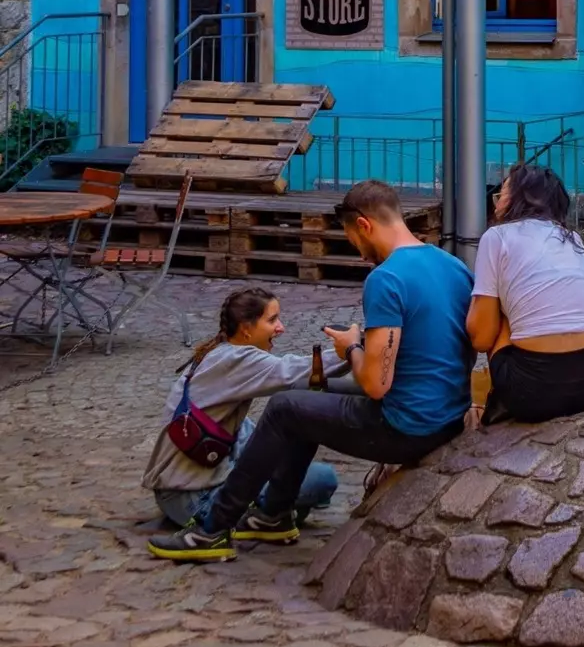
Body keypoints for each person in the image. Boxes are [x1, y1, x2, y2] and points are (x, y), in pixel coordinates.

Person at [149, 180, 473, 562]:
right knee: (306, 404)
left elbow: (375, 384)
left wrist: (351, 346)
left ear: (364, 226)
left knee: (285, 408)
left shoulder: (386, 279)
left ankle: (211, 530)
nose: (356, 250)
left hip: (408, 427)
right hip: (449, 417)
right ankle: (273, 515)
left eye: (351, 237)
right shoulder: (452, 266)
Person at [144, 287, 340, 531]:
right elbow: (294, 371)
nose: (281, 328)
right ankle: (260, 516)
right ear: (246, 328)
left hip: (179, 491)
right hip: (192, 499)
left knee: (293, 469)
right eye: (272, 320)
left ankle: (273, 509)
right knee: (322, 479)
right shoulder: (237, 359)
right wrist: (350, 351)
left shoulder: (217, 352)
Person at [468, 162, 584, 426]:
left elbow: (481, 337)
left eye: (503, 191)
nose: (496, 201)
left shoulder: (496, 237)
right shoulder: (573, 239)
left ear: (521, 197)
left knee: (498, 308)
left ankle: (497, 402)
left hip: (532, 394)